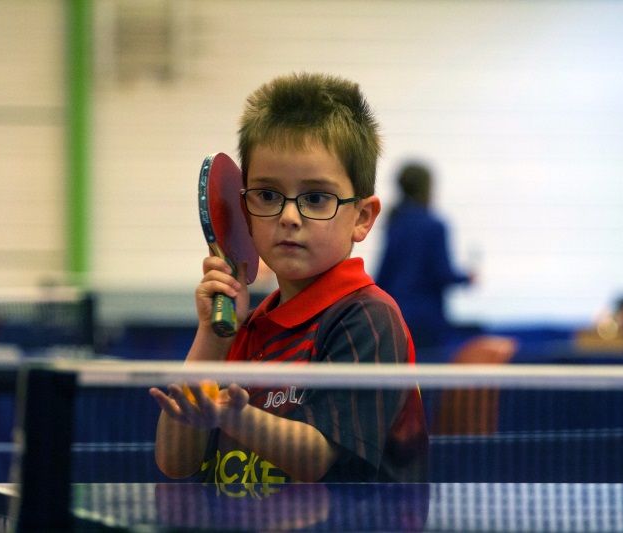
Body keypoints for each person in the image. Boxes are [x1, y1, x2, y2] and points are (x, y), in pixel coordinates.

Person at [149, 72, 427, 486]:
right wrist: (213, 336)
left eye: (316, 198)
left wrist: (232, 415)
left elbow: (315, 457)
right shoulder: (250, 323)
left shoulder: (367, 319)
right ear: (245, 210)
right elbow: (175, 460)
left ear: (362, 218)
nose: (289, 217)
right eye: (267, 194)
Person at [376, 162, 473, 352]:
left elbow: (384, 272)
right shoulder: (434, 225)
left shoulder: (395, 222)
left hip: (395, 313)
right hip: (426, 318)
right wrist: (466, 278)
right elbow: (442, 273)